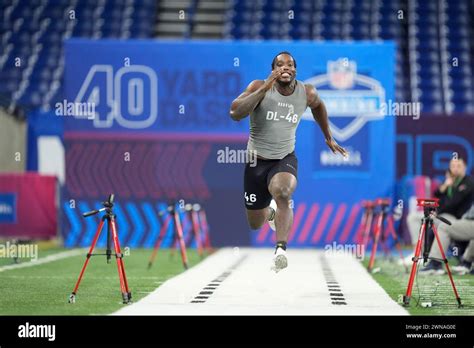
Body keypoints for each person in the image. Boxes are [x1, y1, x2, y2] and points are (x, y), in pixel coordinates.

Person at [229, 51, 348, 272]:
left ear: (295, 70)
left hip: (284, 158)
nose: (286, 68)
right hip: (256, 162)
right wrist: (265, 88)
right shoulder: (258, 86)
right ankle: (270, 213)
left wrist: (328, 137)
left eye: (290, 65)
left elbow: (319, 106)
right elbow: (235, 112)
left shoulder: (307, 92)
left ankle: (280, 250)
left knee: (283, 191)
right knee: (255, 223)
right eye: (280, 65)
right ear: (273, 69)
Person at [420, 158, 474, 274]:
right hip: (455, 217)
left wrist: (437, 212)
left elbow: (453, 203)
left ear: (464, 167)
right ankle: (424, 254)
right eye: (452, 166)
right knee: (424, 219)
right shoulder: (449, 182)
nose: (455, 169)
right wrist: (445, 186)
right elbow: (436, 197)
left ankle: (435, 261)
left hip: (457, 217)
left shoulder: (468, 182)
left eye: (458, 166)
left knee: (441, 225)